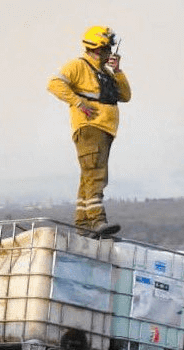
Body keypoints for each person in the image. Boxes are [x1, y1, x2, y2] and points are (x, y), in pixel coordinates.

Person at [47, 26, 131, 238]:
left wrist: (117, 71)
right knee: (96, 174)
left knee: (88, 176)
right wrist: (78, 102)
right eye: (106, 48)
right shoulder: (78, 65)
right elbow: (54, 84)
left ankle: (83, 224)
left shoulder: (104, 72)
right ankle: (96, 220)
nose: (109, 52)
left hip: (104, 129)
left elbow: (125, 95)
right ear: (97, 47)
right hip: (90, 127)